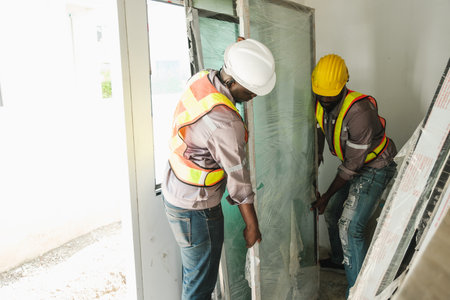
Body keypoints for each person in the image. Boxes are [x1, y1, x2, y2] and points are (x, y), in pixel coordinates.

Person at [162, 38, 276, 300]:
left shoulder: (203, 79)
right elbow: (240, 182)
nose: (254, 97)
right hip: (197, 210)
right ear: (234, 82)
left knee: (194, 275)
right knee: (200, 286)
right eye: (251, 91)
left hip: (176, 192)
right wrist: (252, 225)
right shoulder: (225, 122)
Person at [310, 54, 397, 295]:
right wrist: (312, 173)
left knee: (350, 228)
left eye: (330, 94)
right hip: (354, 166)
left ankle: (359, 291)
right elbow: (319, 131)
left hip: (376, 167)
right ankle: (339, 260)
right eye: (321, 94)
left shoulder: (360, 112)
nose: (325, 99)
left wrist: (326, 196)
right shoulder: (319, 99)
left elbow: (351, 167)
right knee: (332, 216)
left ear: (344, 84)